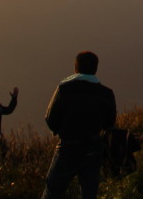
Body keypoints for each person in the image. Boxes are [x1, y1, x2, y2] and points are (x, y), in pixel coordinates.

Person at [42, 51, 117, 199]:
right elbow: (110, 123)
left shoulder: (64, 89)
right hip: (93, 148)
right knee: (89, 193)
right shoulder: (106, 93)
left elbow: (50, 118)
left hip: (68, 147)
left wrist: (61, 130)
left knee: (53, 191)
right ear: (95, 68)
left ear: (75, 68)